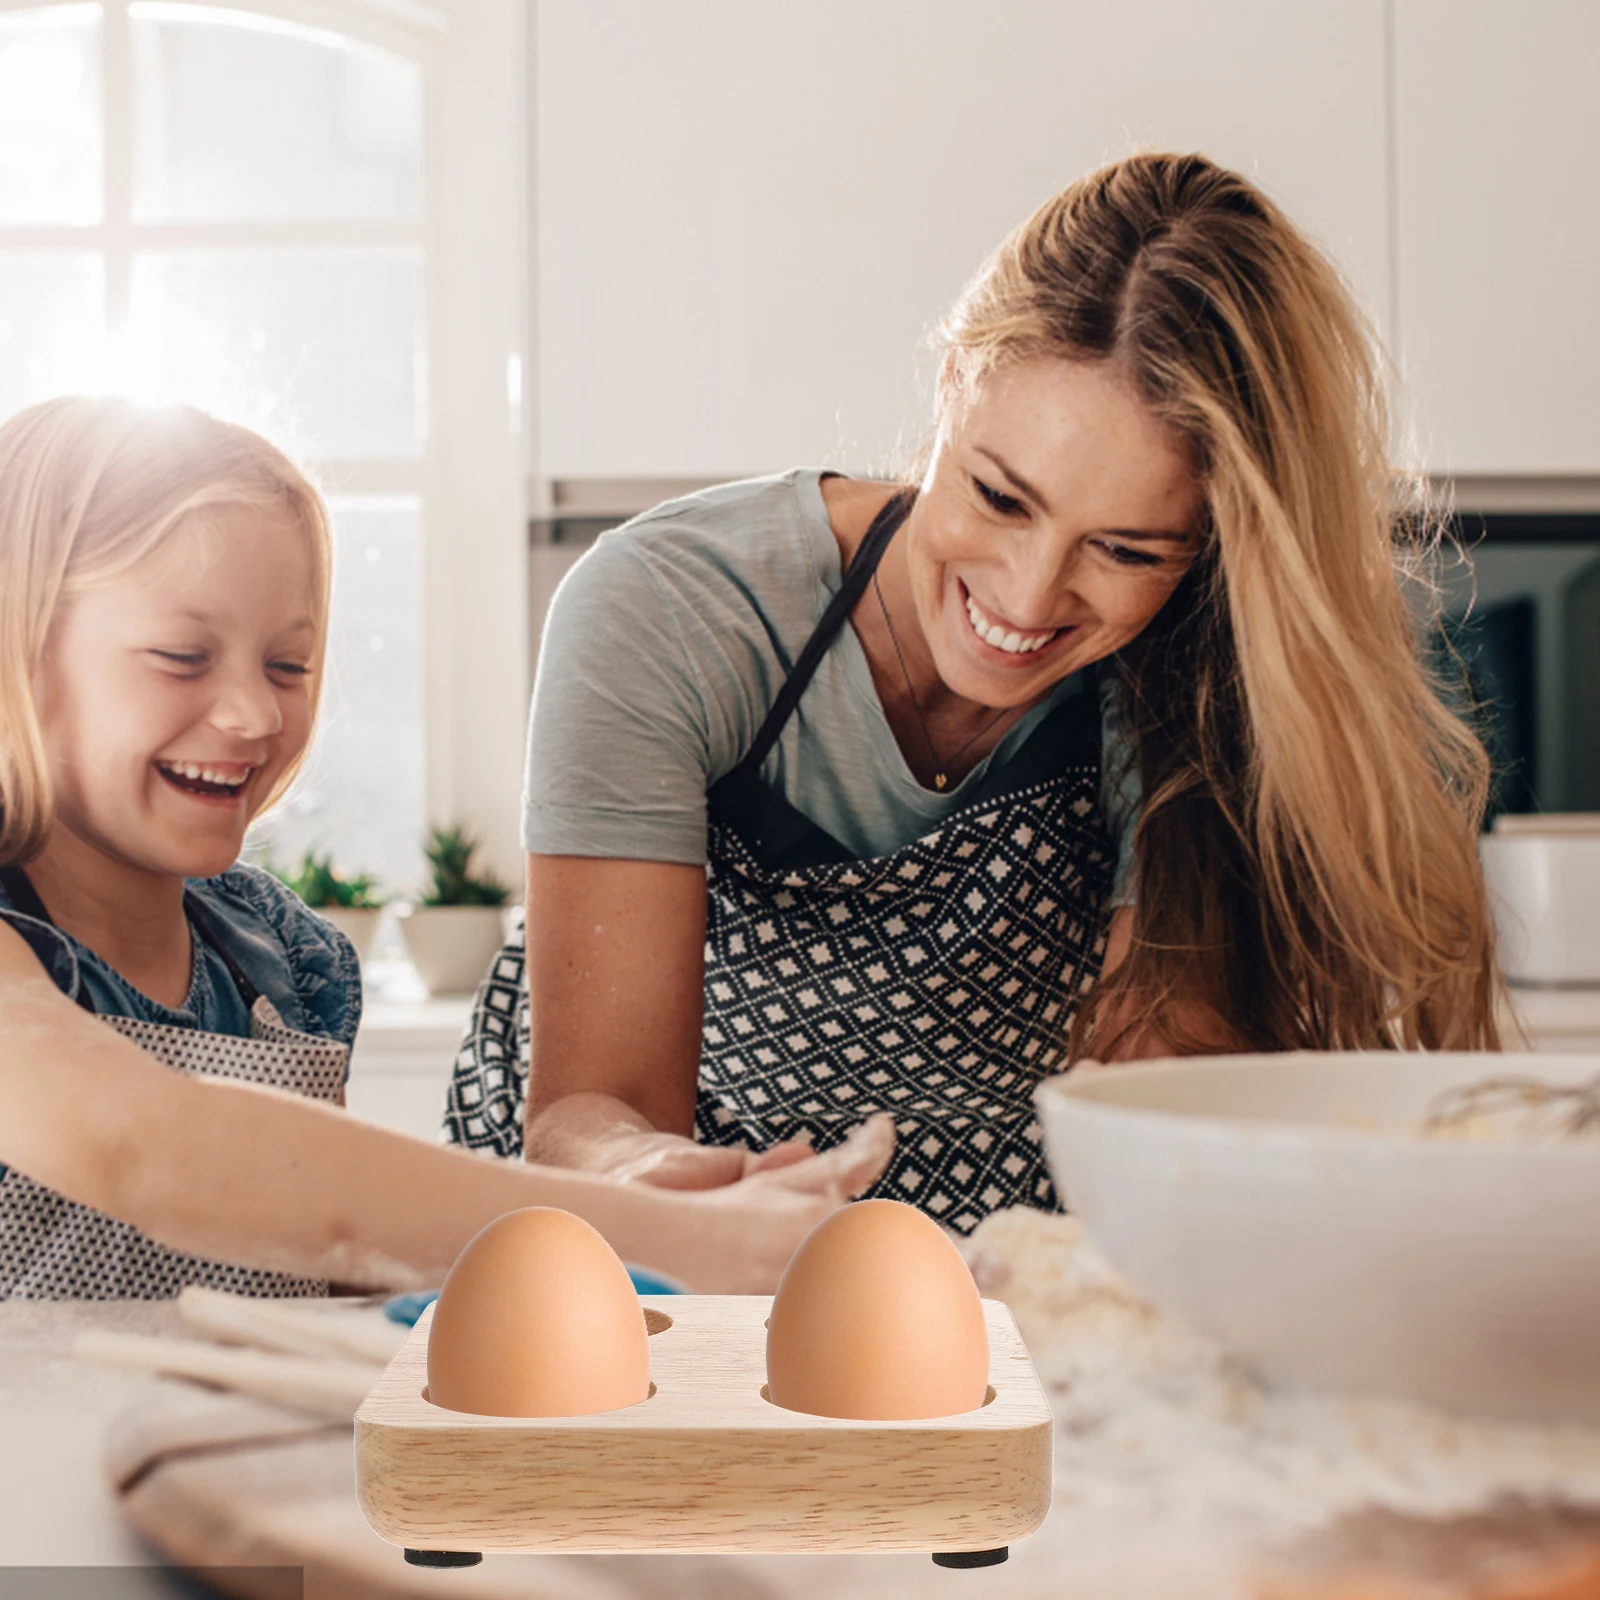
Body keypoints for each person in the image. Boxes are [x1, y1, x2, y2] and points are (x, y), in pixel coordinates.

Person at [445, 151, 1503, 1236]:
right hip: (613, 1233)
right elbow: (594, 1106)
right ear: (952, 382)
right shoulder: (671, 610)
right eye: (1001, 497)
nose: (1029, 595)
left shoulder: (1194, 682)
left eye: (1126, 549)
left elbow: (1152, 1085)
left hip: (985, 1249)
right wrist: (666, 1184)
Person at [0, 394, 893, 1299]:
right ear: (20, 656)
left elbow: (336, 1252)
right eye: (183, 657)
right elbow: (149, 1146)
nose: (256, 713)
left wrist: (631, 1193)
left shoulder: (285, 962)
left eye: (288, 666)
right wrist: (662, 1236)